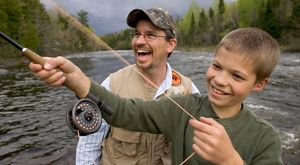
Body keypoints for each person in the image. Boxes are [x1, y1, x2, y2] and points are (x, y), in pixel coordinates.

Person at [29, 27, 283, 164]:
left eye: (237, 76)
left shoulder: (266, 138)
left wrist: (229, 161)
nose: (219, 80)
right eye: (216, 67)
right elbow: (124, 111)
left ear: (259, 84)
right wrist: (78, 80)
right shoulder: (181, 106)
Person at [37, 7, 199, 165]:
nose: (140, 41)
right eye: (137, 34)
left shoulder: (190, 90)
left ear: (170, 45)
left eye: (150, 35)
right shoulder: (111, 84)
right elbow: (88, 147)